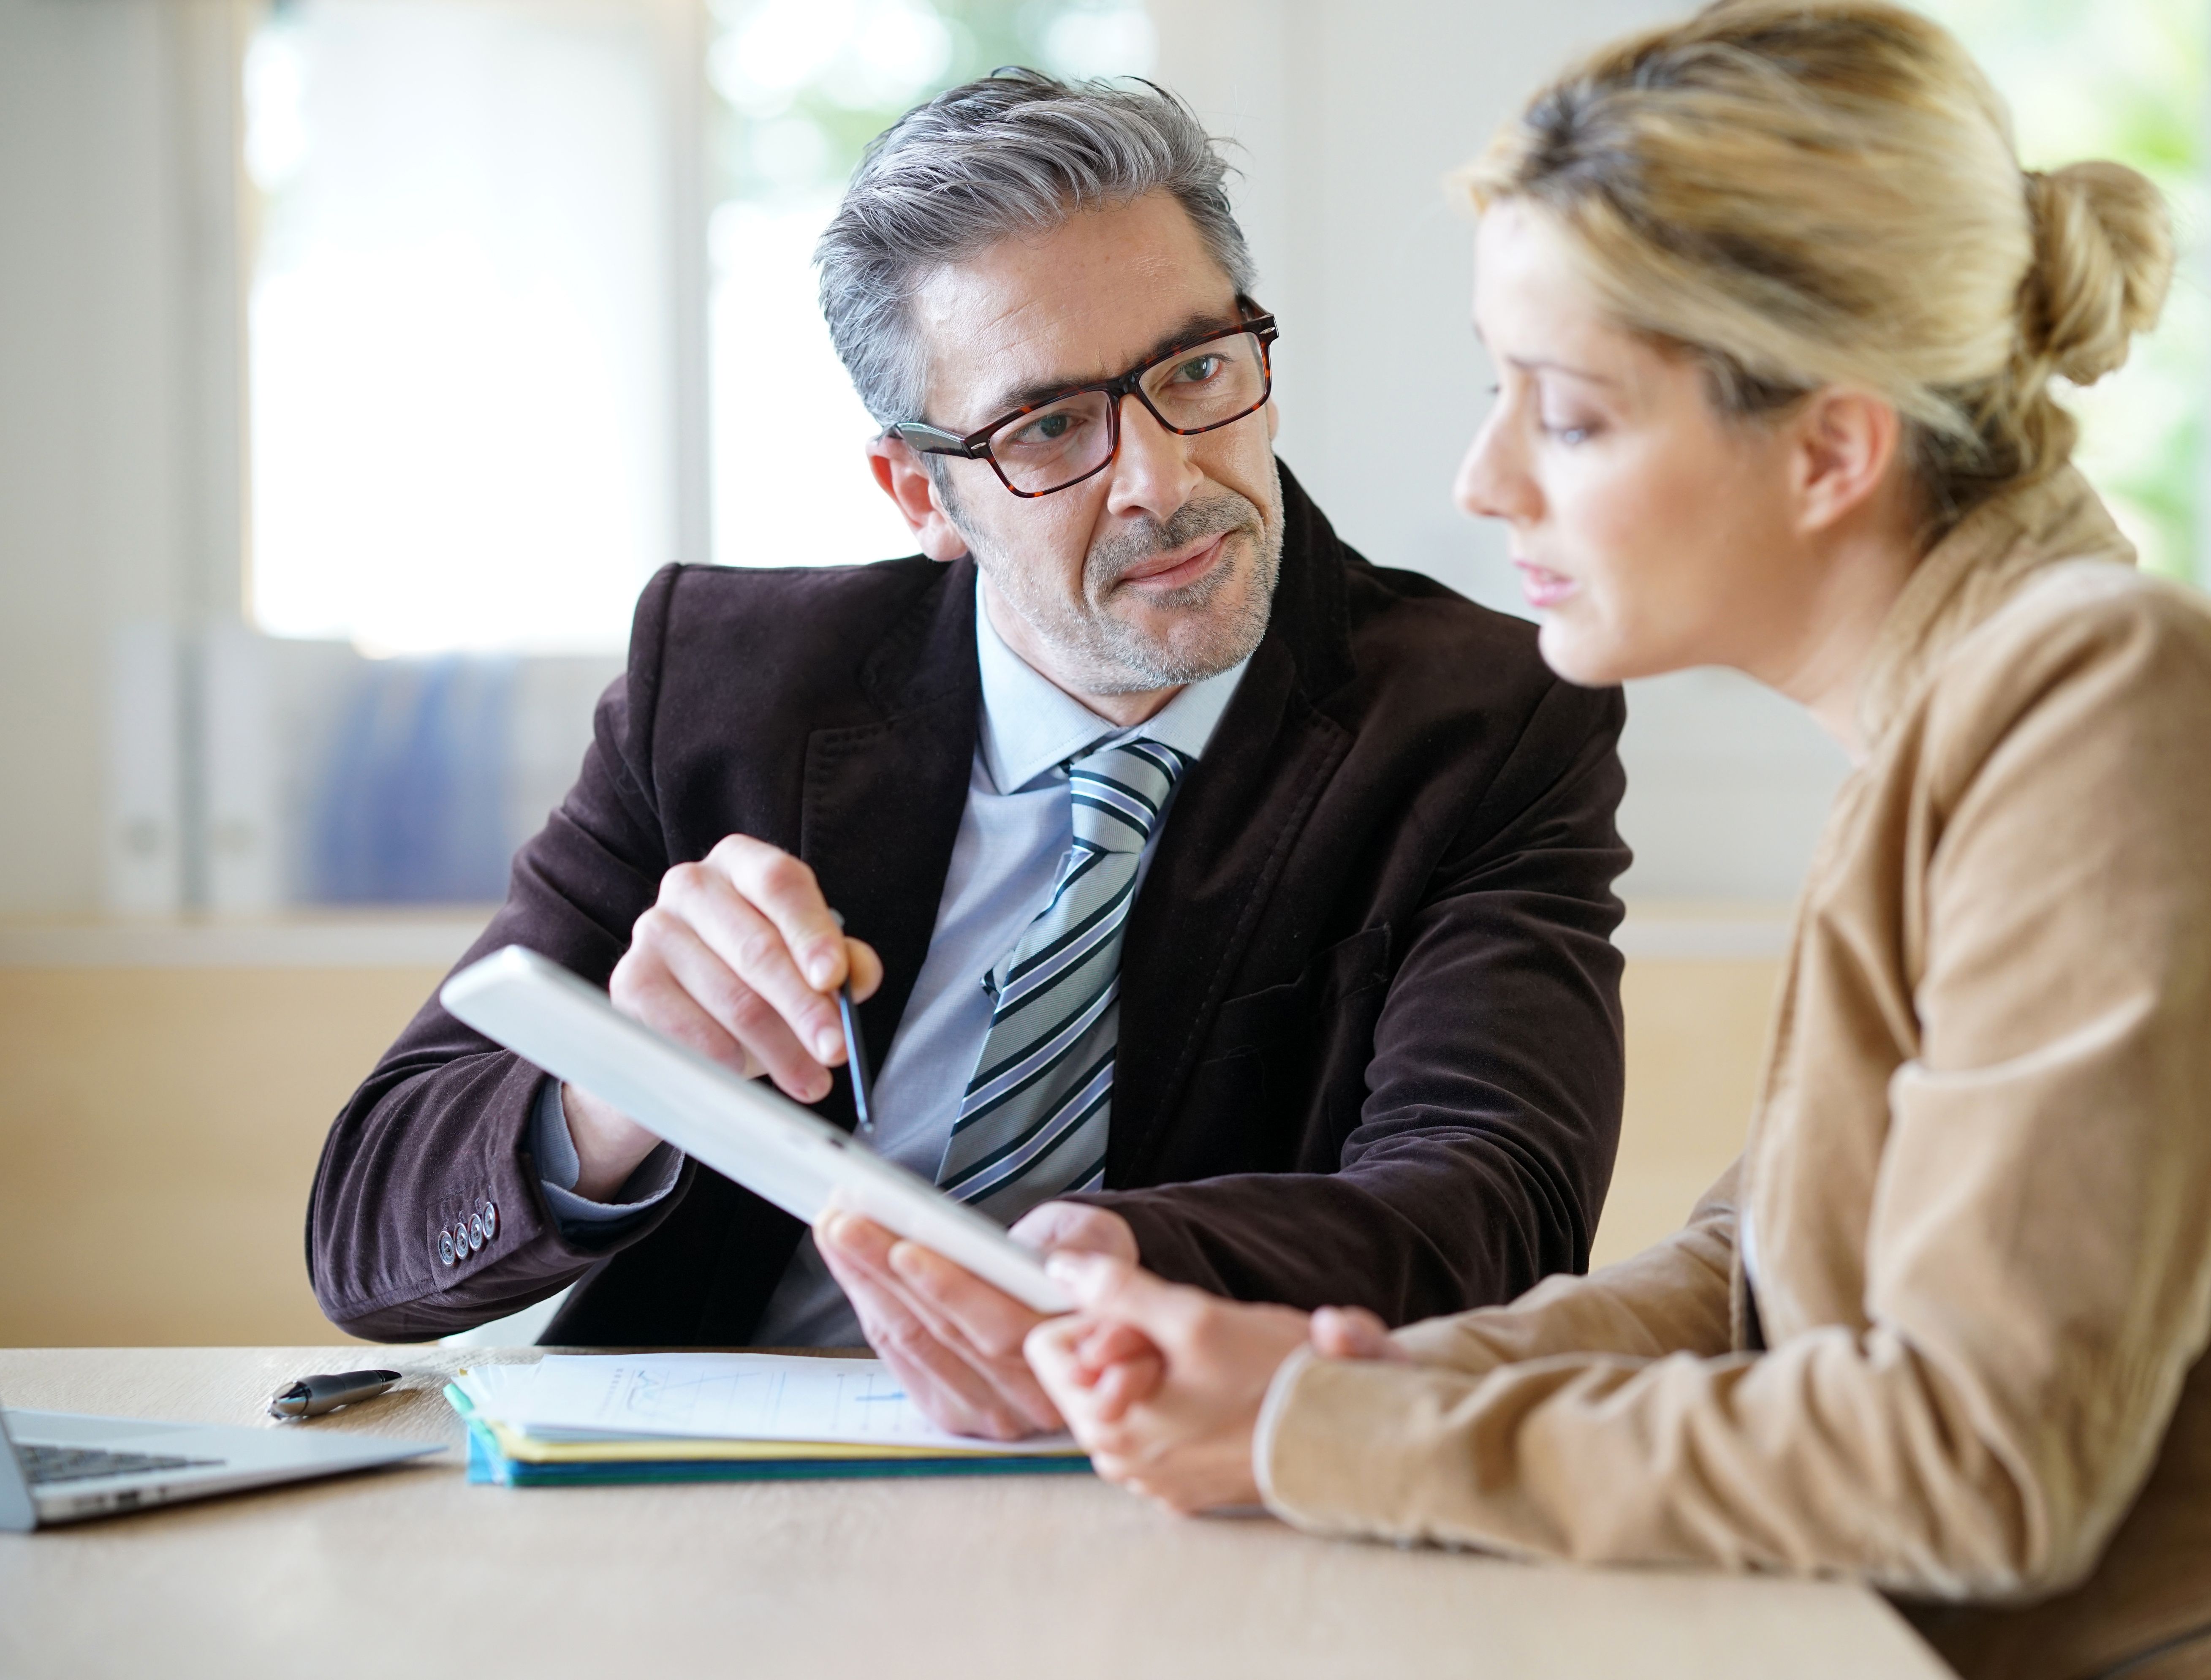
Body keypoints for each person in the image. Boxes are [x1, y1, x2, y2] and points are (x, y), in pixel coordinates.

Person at [1018, 5, 2211, 1672]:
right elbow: (1761, 1268)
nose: (1486, 477)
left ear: (1829, 447)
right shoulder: (1961, 711)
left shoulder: (2118, 701)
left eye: (1570, 415)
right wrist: (1335, 1382)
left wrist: (1327, 1434)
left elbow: (1978, 1461)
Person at [305, 71, 1632, 1442]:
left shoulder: (1482, 714)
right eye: (1048, 426)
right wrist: (626, 1074)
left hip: (1162, 1478)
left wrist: (1120, 1267)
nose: (1161, 481)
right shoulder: (722, 684)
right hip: (708, 1481)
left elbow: (1500, 1206)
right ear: (916, 491)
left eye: (1194, 372)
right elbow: (369, 1241)